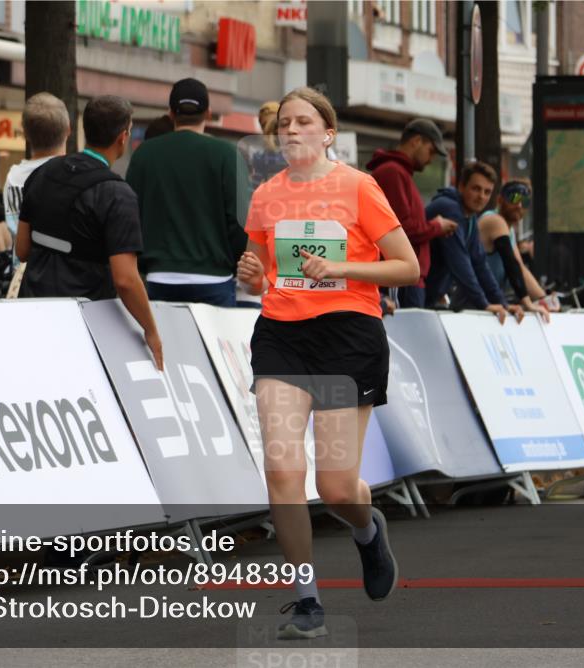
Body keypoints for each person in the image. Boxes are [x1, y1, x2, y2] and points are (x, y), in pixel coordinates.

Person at [237, 87, 418, 640]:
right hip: (282, 337)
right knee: (283, 471)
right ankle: (307, 601)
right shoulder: (266, 195)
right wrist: (252, 279)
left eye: (303, 122)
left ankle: (368, 532)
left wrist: (342, 269)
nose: (291, 130)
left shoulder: (359, 187)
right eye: (284, 124)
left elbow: (406, 267)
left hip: (347, 339)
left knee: (338, 487)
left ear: (328, 133)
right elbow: (264, 272)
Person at [15, 95, 162, 369]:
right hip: (84, 322)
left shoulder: (43, 173)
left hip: (33, 311)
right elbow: (126, 280)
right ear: (123, 136)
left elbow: (22, 250)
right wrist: (151, 329)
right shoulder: (117, 194)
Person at [126, 77, 246, 306]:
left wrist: (141, 264)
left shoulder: (145, 154)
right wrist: (235, 264)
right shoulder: (226, 154)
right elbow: (239, 220)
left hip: (160, 276)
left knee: (164, 342)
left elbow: (130, 215)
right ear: (209, 113)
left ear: (171, 113)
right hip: (215, 277)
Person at [367, 118, 459, 308]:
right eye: (431, 150)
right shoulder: (392, 172)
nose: (431, 158)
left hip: (407, 278)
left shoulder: (398, 173)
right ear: (416, 141)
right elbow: (401, 230)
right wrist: (436, 226)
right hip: (401, 279)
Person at [424, 162, 521, 323]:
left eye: (487, 192)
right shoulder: (450, 208)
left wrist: (501, 303)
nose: (481, 196)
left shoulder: (469, 217)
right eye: (476, 189)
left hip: (428, 293)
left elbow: (479, 263)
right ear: (461, 186)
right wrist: (484, 304)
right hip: (412, 290)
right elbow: (459, 262)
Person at [3, 92, 71, 262]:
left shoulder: (13, 177)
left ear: (25, 133)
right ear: (68, 130)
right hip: (67, 274)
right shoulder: (72, 173)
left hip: (23, 274)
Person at [478, 179, 553, 319]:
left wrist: (544, 300)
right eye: (514, 198)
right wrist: (528, 303)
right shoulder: (494, 220)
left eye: (524, 202)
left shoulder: (509, 230)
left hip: (490, 304)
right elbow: (511, 263)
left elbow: (521, 269)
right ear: (500, 200)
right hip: (475, 303)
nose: (519, 205)